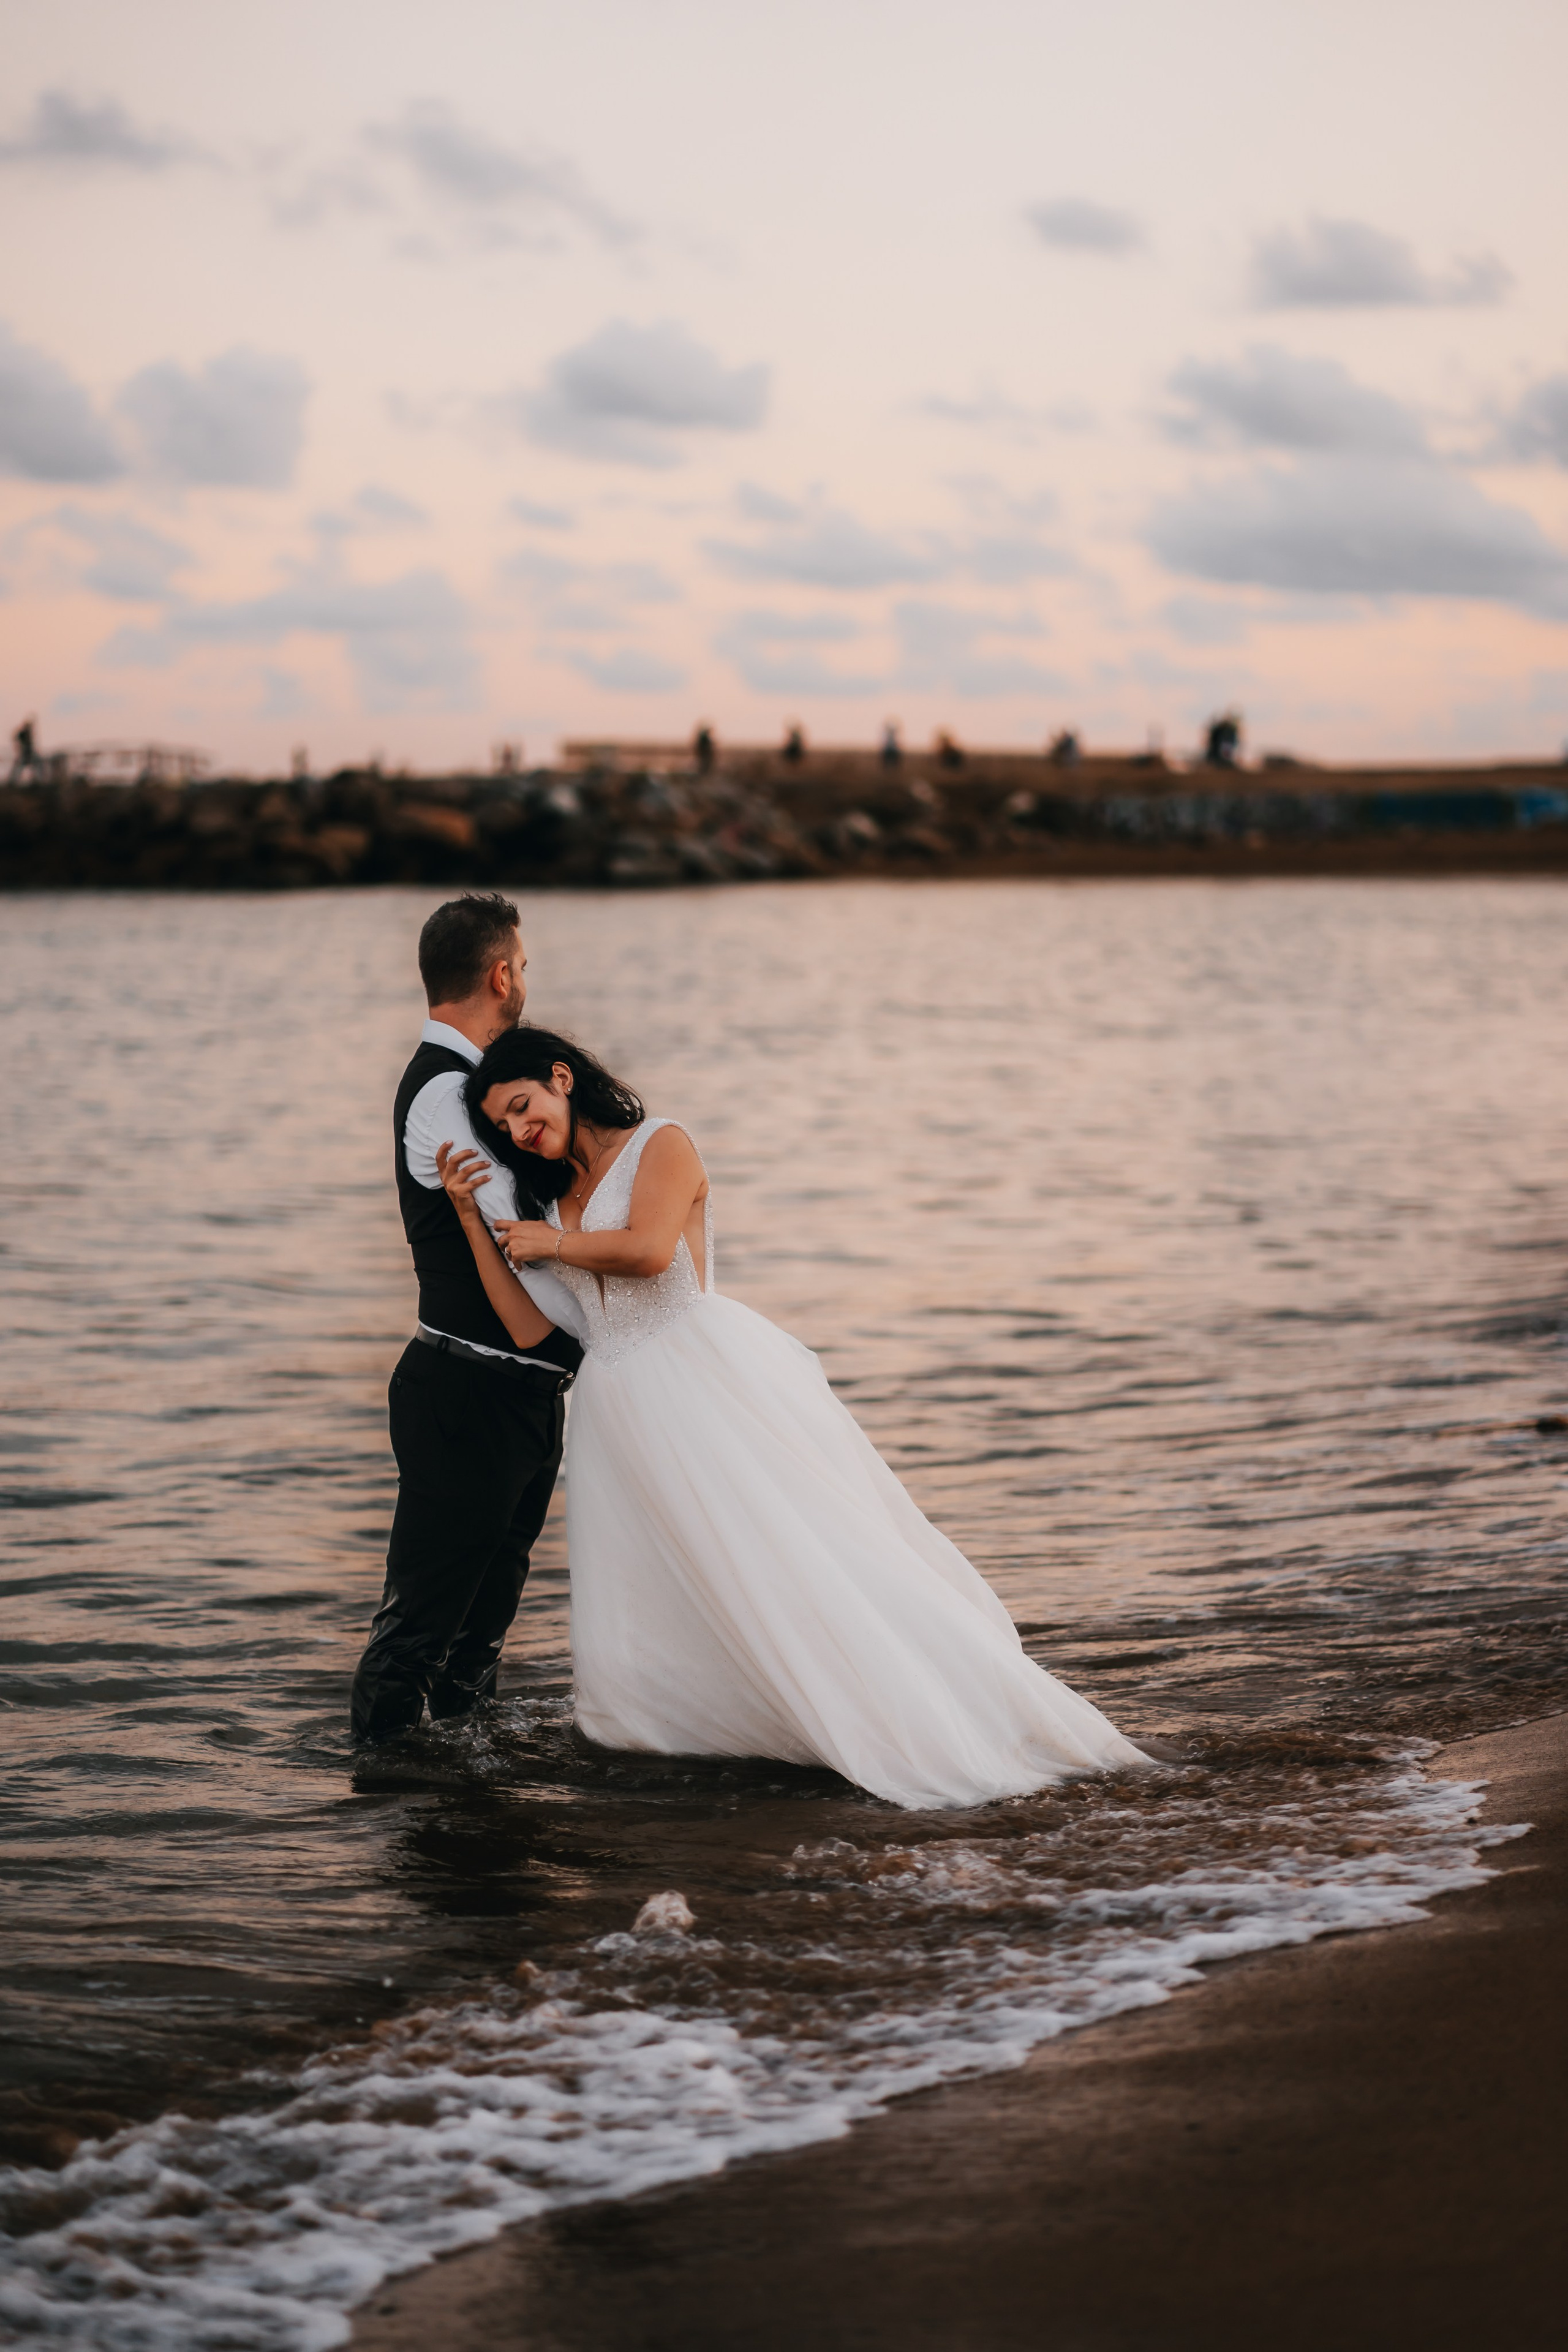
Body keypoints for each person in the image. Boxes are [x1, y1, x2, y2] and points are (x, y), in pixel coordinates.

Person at [434, 1027, 1151, 1810]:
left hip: (694, 1383)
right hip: (616, 1414)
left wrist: (556, 1244)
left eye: (522, 1107)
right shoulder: (548, 1201)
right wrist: (473, 1217)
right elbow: (532, 1329)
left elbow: (645, 1252)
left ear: (561, 1078)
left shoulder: (660, 1145)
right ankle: (696, 1742)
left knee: (780, 1560)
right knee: (656, 1594)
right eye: (504, 1127)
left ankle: (891, 1715)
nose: (518, 1131)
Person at [349, 896, 586, 1746]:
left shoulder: (470, 1089)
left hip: (518, 1396)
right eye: (522, 966)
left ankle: (468, 1819)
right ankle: (384, 1803)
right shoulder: (446, 1096)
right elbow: (521, 1231)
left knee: (480, 1635)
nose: (524, 980)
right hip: (466, 1392)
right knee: (420, 1626)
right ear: (501, 974)